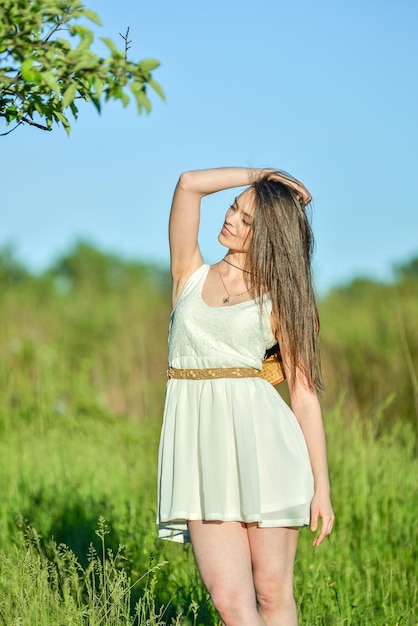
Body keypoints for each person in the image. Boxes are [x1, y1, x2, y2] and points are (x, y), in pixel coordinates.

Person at [156, 167, 334, 626]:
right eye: (235, 206)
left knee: (272, 593)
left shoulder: (282, 297)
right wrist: (262, 174)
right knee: (230, 603)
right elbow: (188, 183)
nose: (230, 219)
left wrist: (322, 487)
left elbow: (304, 395)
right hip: (200, 455)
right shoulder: (188, 275)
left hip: (268, 450)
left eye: (247, 220)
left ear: (269, 237)